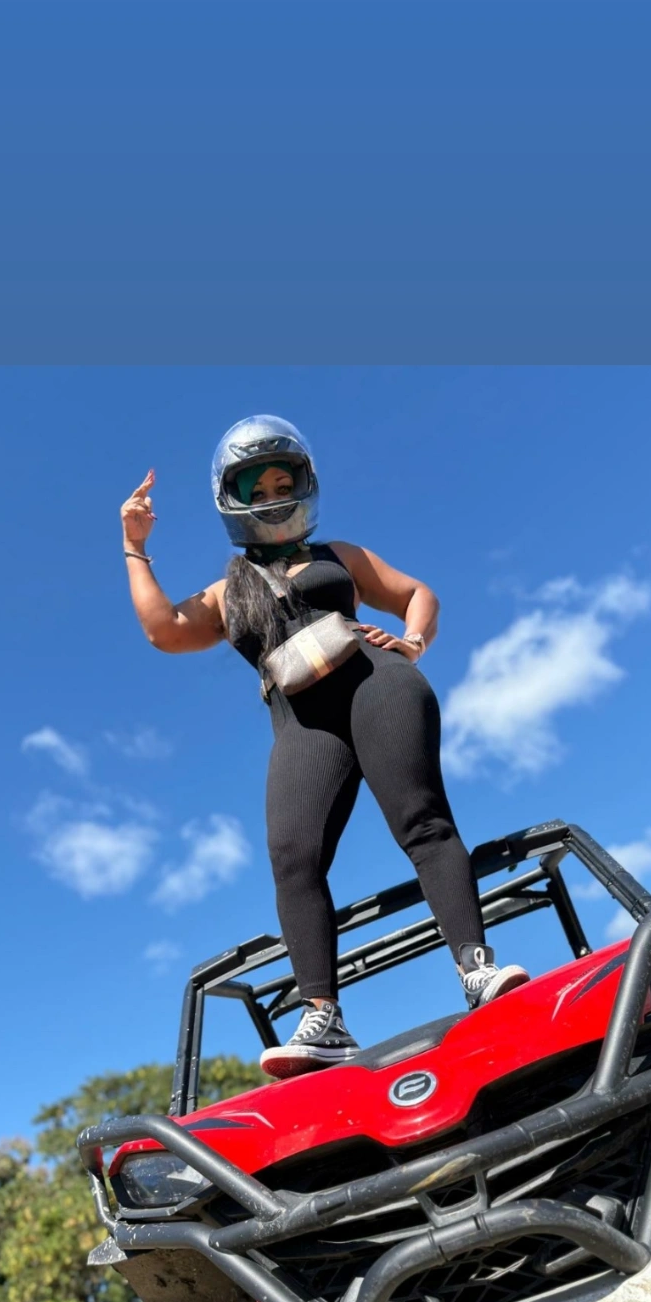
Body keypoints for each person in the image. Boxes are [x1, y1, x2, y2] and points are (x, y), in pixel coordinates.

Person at [121, 414, 528, 1078]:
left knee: (421, 821)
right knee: (292, 856)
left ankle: (476, 969)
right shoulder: (229, 593)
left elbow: (417, 593)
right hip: (300, 720)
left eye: (286, 479)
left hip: (377, 683)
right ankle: (323, 1017)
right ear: (237, 500)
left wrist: (416, 642)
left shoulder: (338, 555)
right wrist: (135, 546)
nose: (275, 493)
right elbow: (163, 630)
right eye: (260, 486)